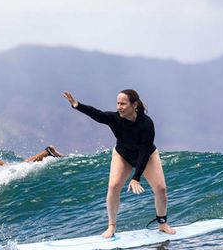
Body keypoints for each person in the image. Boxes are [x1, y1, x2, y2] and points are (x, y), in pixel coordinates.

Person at [63, 90, 176, 238]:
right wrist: (77, 105)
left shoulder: (146, 123)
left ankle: (162, 223)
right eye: (118, 103)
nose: (119, 107)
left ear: (134, 105)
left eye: (123, 103)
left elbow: (144, 151)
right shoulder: (115, 119)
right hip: (123, 155)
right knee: (113, 186)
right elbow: (98, 114)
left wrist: (136, 177)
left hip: (147, 155)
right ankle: (111, 226)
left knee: (161, 189)